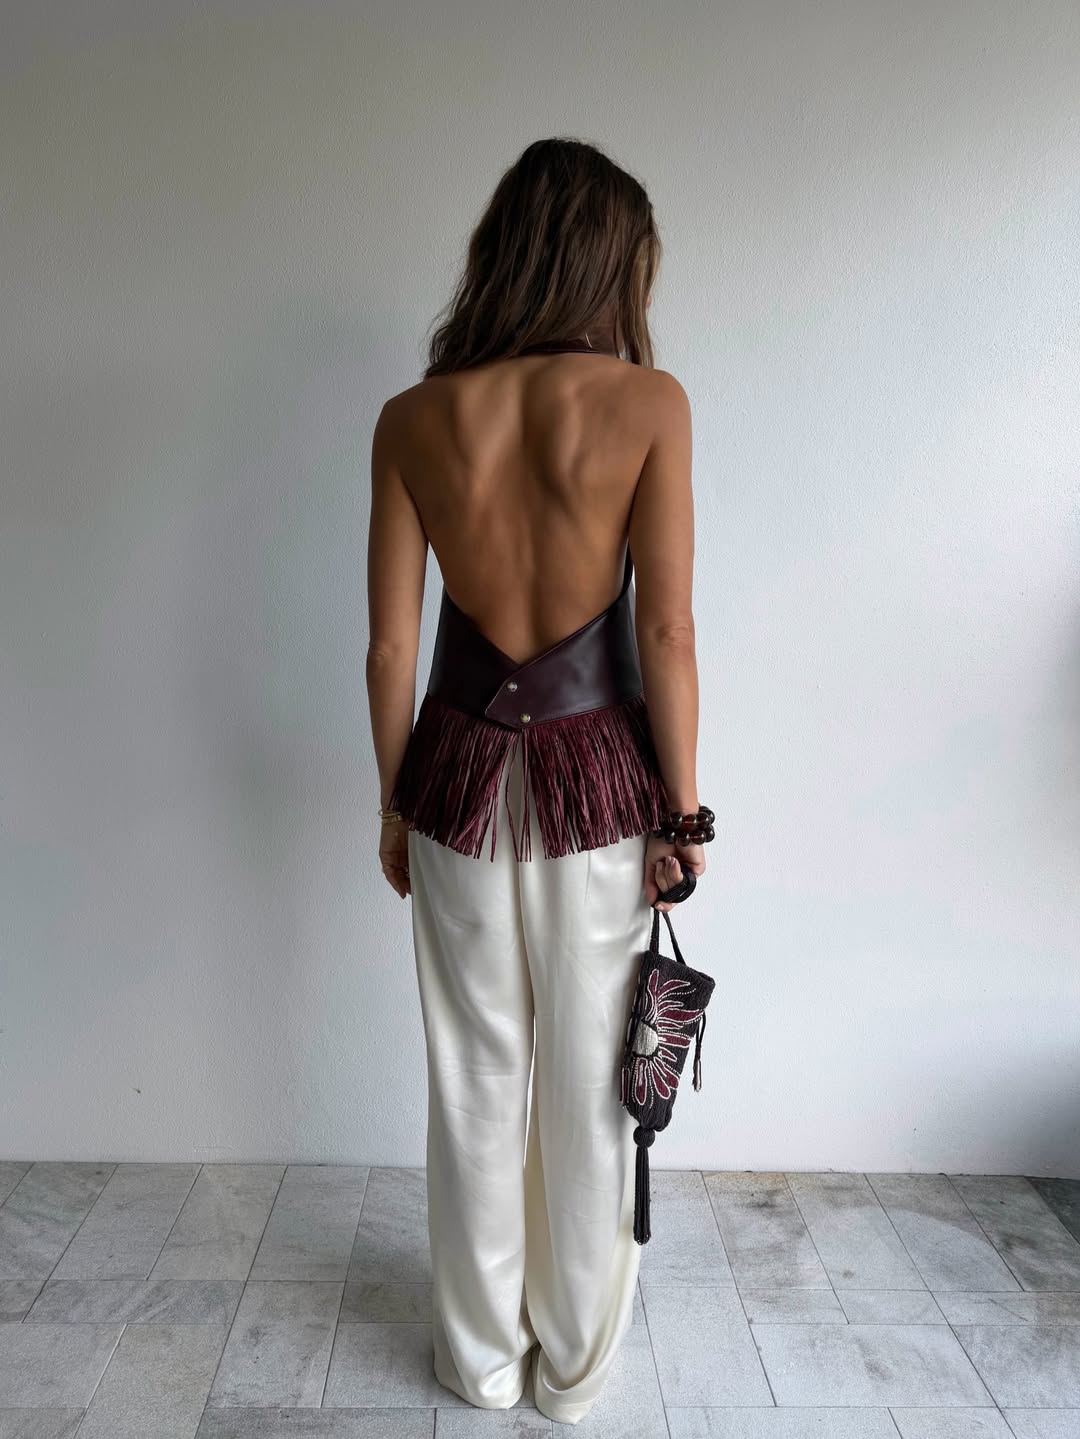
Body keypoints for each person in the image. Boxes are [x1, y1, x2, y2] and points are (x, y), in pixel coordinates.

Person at [365, 136, 708, 1426]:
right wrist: (684, 814)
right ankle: (574, 1371)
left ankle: (479, 1362)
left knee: (471, 1072)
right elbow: (666, 632)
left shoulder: (414, 418)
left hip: (455, 777)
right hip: (596, 789)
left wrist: (396, 801)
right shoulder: (649, 403)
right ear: (610, 262)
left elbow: (391, 650)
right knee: (589, 1076)